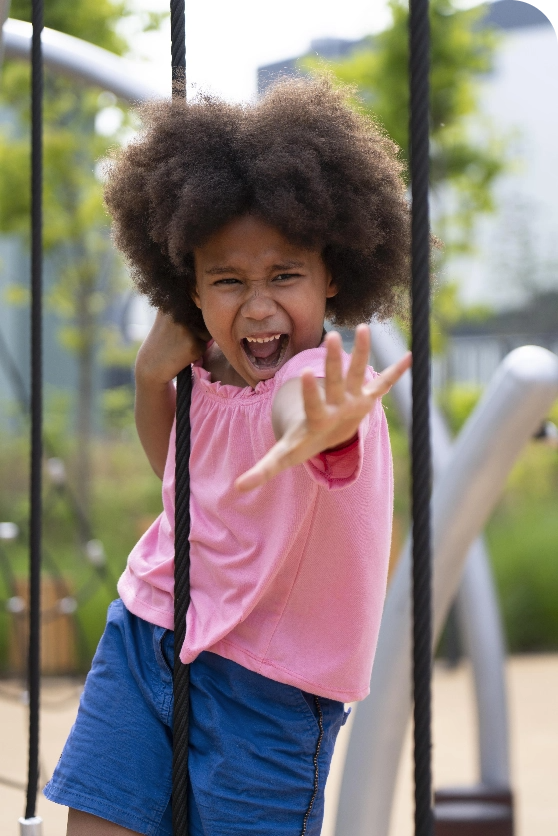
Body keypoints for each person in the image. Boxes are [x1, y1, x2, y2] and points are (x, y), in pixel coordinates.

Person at [44, 77, 412, 836]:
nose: (258, 305)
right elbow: (177, 477)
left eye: (285, 275)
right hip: (147, 632)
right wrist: (153, 375)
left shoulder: (318, 379)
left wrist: (316, 429)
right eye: (228, 281)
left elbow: (297, 411)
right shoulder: (203, 367)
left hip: (268, 688)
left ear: (332, 274)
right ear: (192, 288)